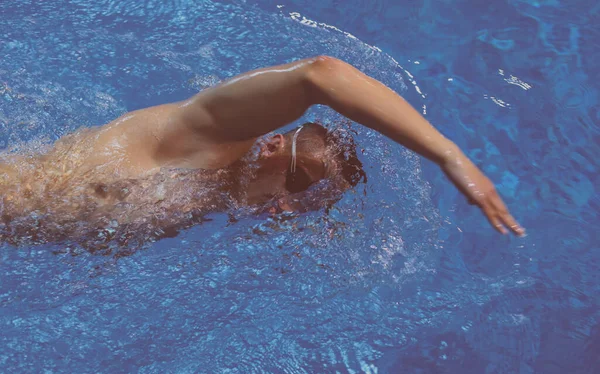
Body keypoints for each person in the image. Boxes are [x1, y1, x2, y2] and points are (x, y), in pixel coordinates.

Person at [0, 56, 524, 249]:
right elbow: (320, 75)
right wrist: (450, 155)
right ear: (273, 146)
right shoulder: (207, 138)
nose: (285, 211)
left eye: (310, 206)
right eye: (298, 189)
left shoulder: (220, 194)